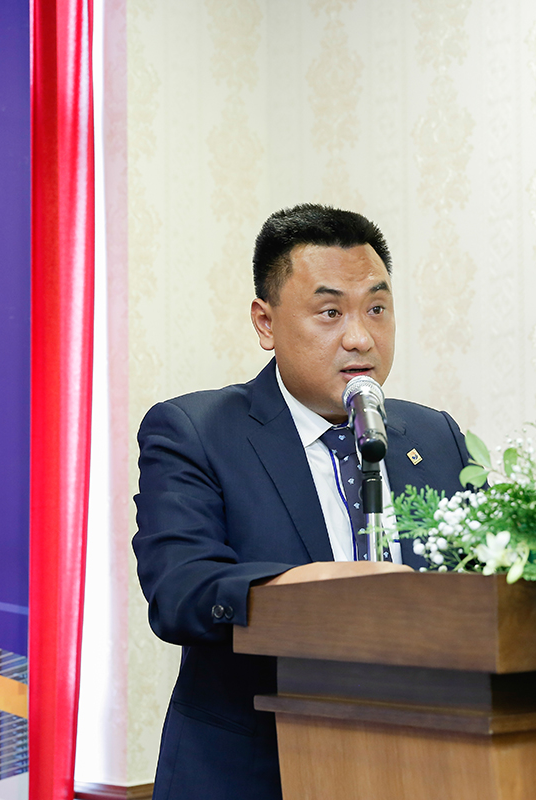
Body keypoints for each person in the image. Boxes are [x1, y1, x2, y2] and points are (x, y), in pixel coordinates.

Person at [132, 204, 471, 800]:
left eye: (376, 309)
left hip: (418, 768)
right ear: (265, 323)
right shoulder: (195, 431)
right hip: (254, 774)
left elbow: (482, 586)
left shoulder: (434, 437)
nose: (360, 337)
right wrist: (319, 587)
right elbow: (181, 591)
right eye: (330, 312)